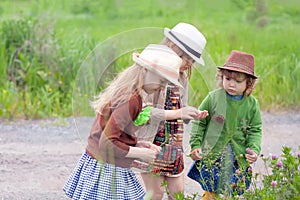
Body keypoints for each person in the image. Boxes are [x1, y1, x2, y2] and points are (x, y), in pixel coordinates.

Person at [63, 44, 186, 200]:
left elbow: (116, 134)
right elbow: (107, 143)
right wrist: (141, 153)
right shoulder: (131, 100)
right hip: (107, 170)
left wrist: (137, 144)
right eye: (161, 80)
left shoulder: (128, 92)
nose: (162, 87)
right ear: (145, 70)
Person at [136, 22, 209, 200]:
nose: (189, 64)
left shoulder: (182, 78)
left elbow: (181, 109)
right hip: (152, 141)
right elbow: (141, 113)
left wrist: (192, 114)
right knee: (156, 193)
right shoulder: (149, 73)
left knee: (177, 193)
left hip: (173, 143)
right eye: (187, 58)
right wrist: (178, 114)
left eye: (193, 61)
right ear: (171, 48)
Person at [187, 50, 262, 199]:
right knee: (210, 189)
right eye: (227, 79)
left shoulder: (252, 104)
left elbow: (255, 130)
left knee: (232, 190)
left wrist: (253, 149)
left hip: (237, 156)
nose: (231, 84)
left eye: (238, 81)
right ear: (221, 78)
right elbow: (199, 121)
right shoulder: (213, 98)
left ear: (249, 83)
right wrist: (195, 144)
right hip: (212, 154)